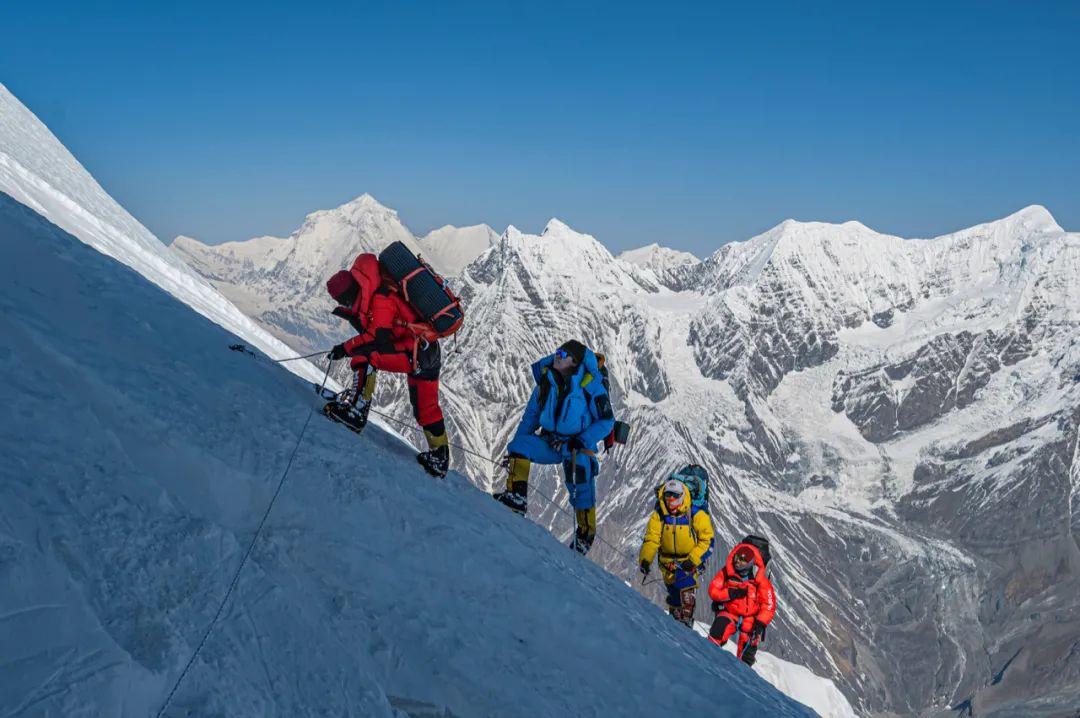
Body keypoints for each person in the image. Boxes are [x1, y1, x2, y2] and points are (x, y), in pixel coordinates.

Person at [324, 253, 450, 477]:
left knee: (366, 356)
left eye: (345, 300)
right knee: (426, 408)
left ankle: (357, 411)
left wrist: (345, 348)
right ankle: (440, 457)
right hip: (426, 350)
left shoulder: (381, 298)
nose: (346, 304)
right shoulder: (377, 289)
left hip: (415, 352)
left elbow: (376, 338)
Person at [492, 340, 614, 554]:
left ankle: (585, 533)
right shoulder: (546, 381)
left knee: (580, 477)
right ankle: (516, 499)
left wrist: (583, 440)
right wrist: (515, 452)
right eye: (558, 351)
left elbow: (607, 421)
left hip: (577, 445)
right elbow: (530, 417)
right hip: (551, 441)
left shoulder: (590, 384)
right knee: (520, 445)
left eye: (564, 353)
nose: (558, 355)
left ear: (575, 362)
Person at [637, 478, 715, 627]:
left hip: (688, 564)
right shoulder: (659, 514)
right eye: (667, 499)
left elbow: (707, 540)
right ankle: (678, 627)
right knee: (674, 598)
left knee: (686, 593)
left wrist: (692, 560)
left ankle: (685, 622)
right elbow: (652, 539)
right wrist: (645, 559)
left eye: (674, 499)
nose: (670, 503)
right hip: (667, 565)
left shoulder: (695, 514)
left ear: (682, 497)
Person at [706, 541, 776, 666]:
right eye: (737, 559)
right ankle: (706, 661)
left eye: (742, 560)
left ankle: (740, 677)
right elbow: (713, 590)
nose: (738, 562)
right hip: (730, 613)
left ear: (750, 563)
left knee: (746, 657)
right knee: (716, 633)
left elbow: (769, 605)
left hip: (751, 620)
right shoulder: (728, 571)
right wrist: (731, 593)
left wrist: (760, 623)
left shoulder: (760, 578)